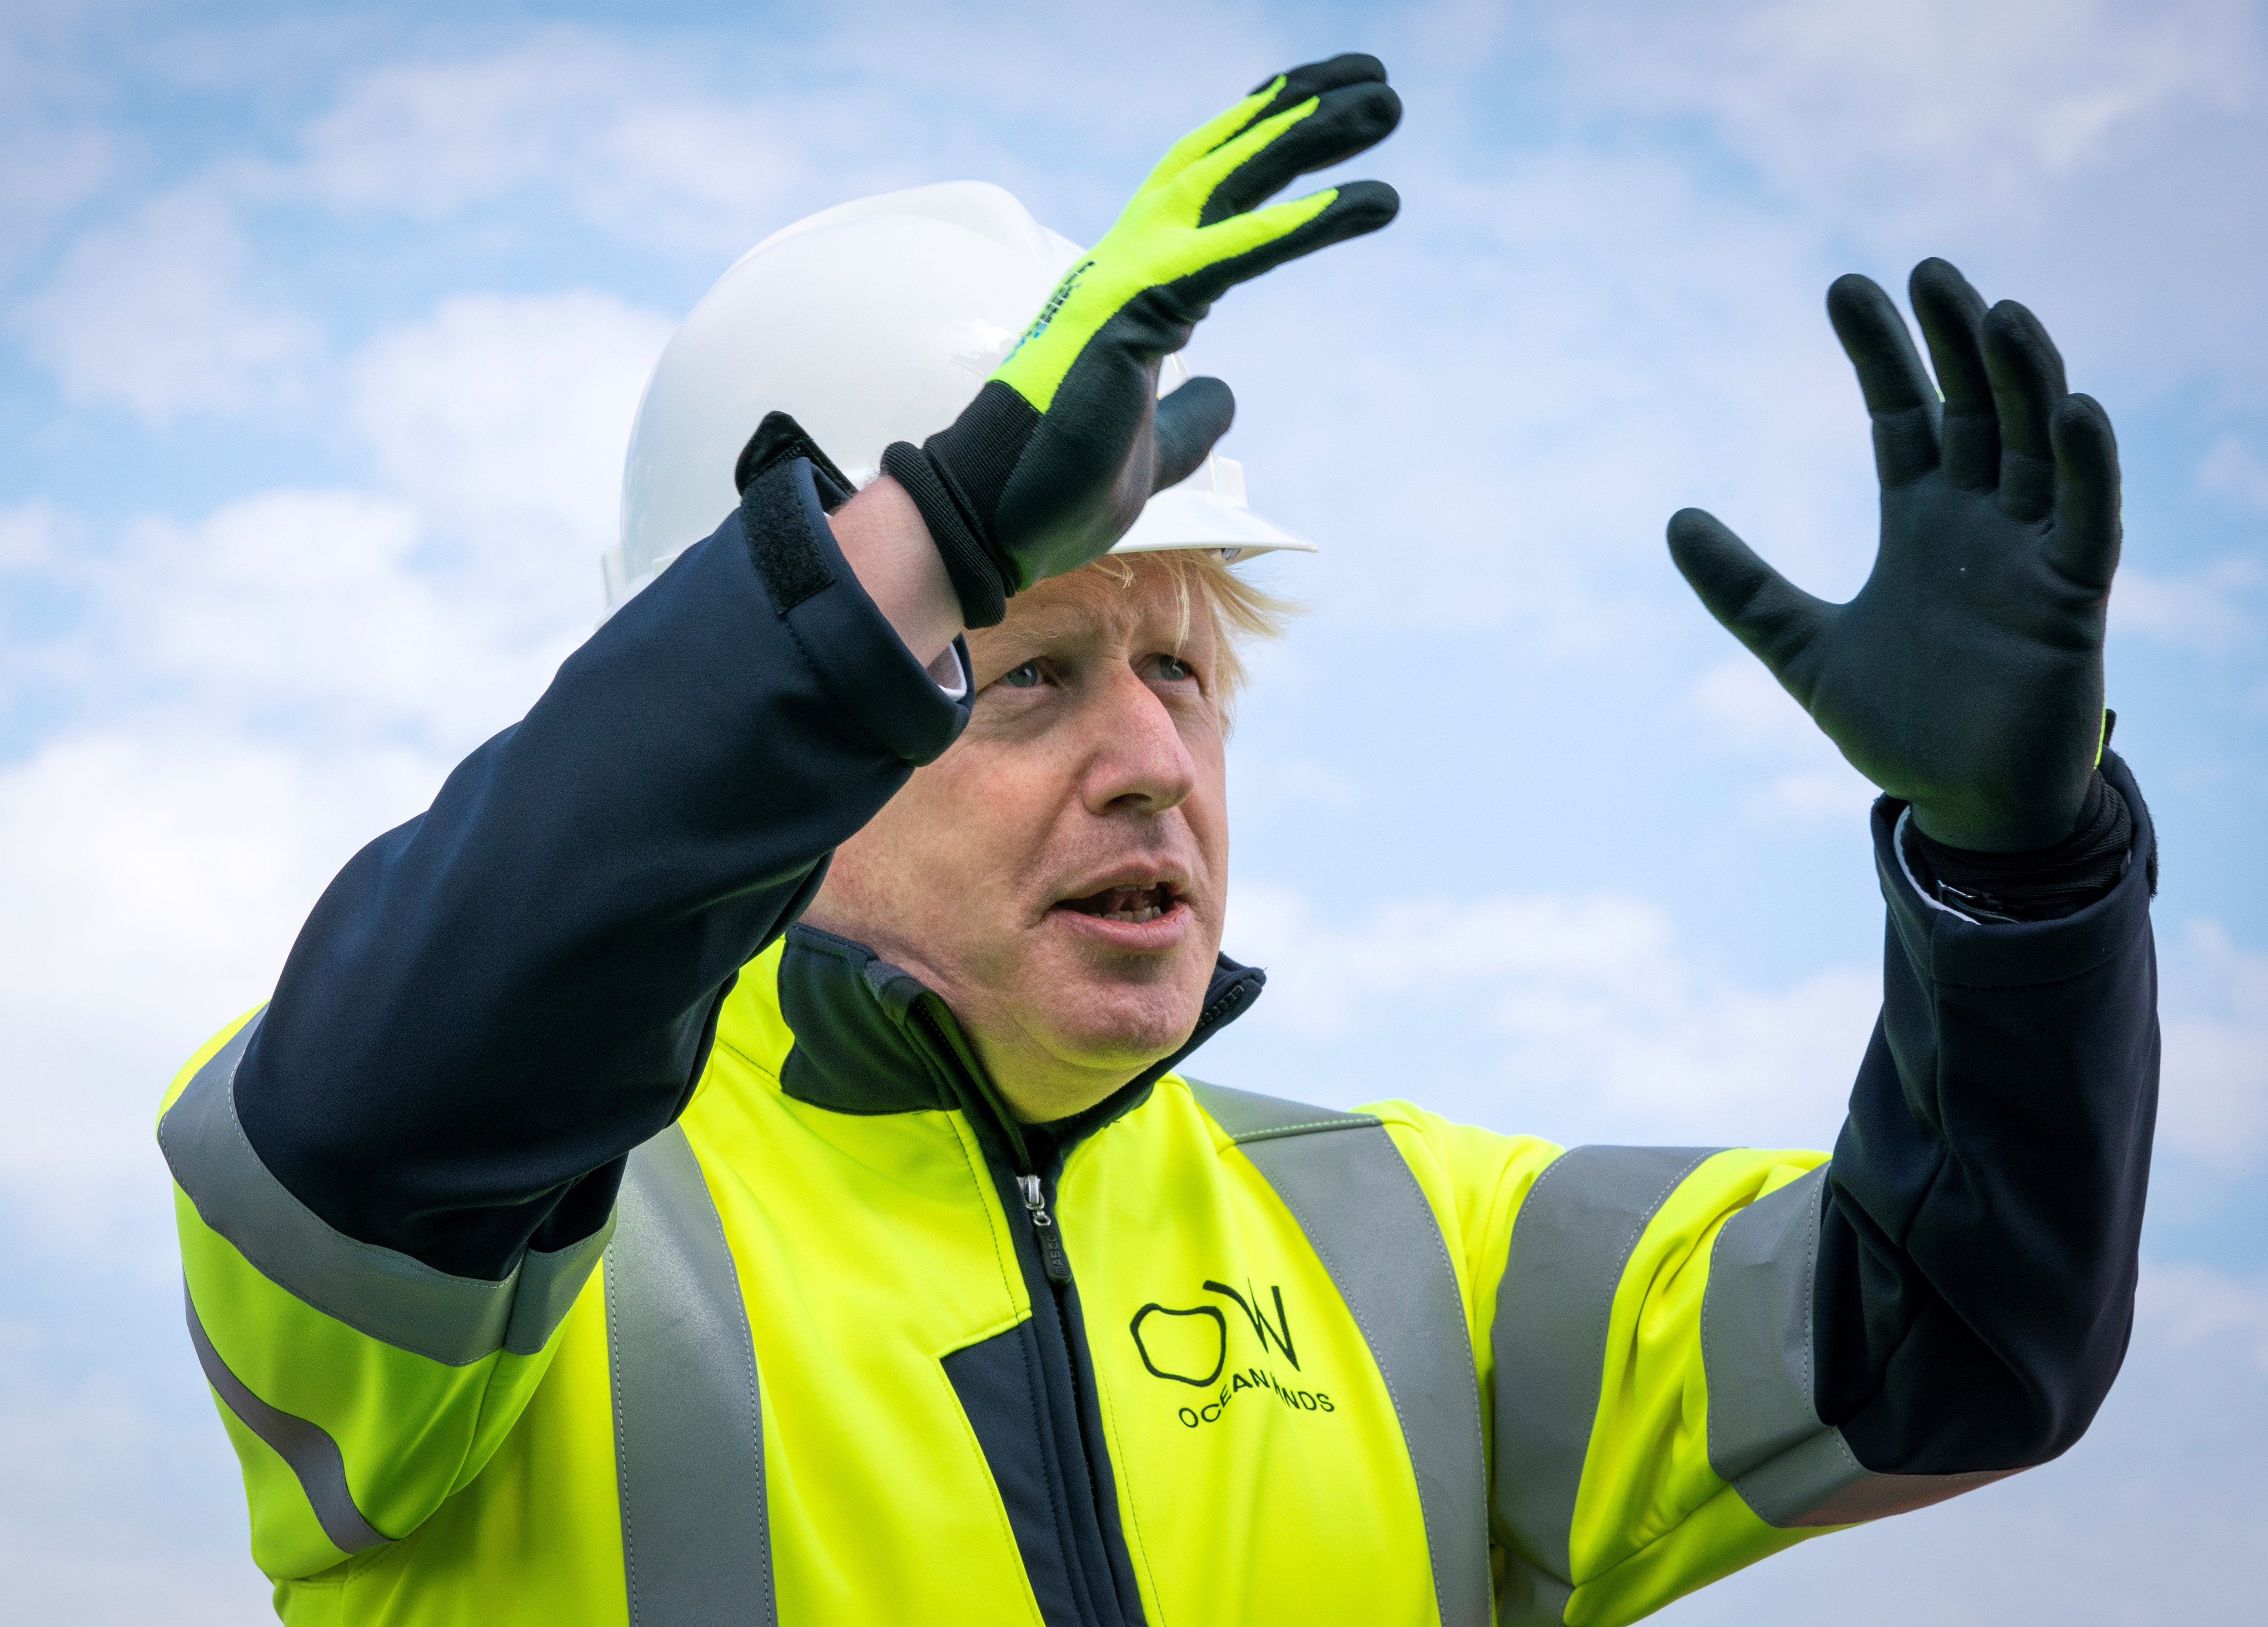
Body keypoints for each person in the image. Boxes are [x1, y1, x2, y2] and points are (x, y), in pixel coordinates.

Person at [159, 55, 2158, 1627]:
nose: (1149, 761)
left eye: (1184, 673)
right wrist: (919, 545)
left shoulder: (1416, 1250)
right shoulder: (508, 1235)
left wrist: (2018, 885)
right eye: (1025, 675)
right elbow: (402, 1075)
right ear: (802, 692)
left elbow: (1962, 1343)